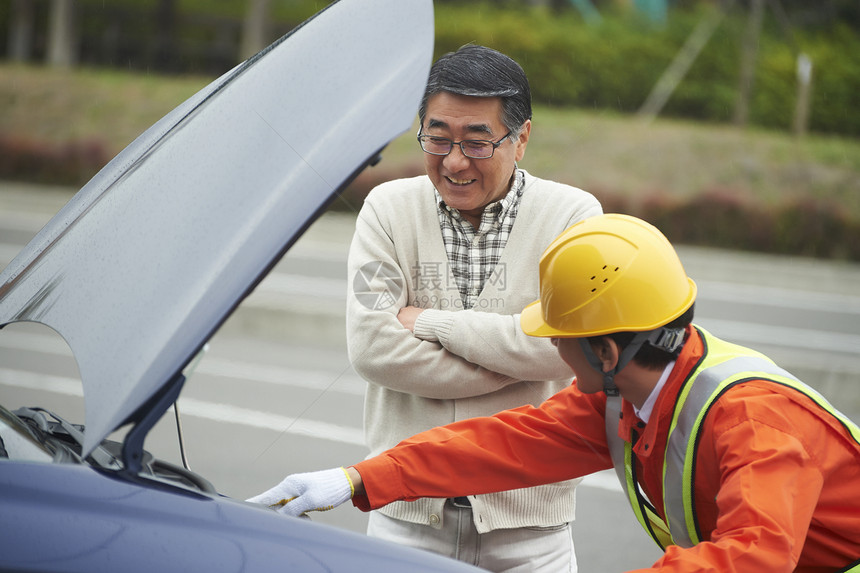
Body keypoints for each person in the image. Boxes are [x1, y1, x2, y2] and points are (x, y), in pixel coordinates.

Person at [249, 214, 860, 572]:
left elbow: (751, 560)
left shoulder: (756, 422)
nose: (555, 351)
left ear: (608, 352)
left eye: (563, 338)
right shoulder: (628, 397)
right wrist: (359, 478)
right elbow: (502, 444)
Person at [254, 45, 601, 572]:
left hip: (532, 529)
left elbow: (567, 351)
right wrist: (513, 354)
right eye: (438, 139)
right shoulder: (387, 210)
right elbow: (373, 349)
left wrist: (432, 323)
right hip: (404, 520)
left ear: (521, 138)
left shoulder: (572, 217)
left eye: (477, 142)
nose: (455, 161)